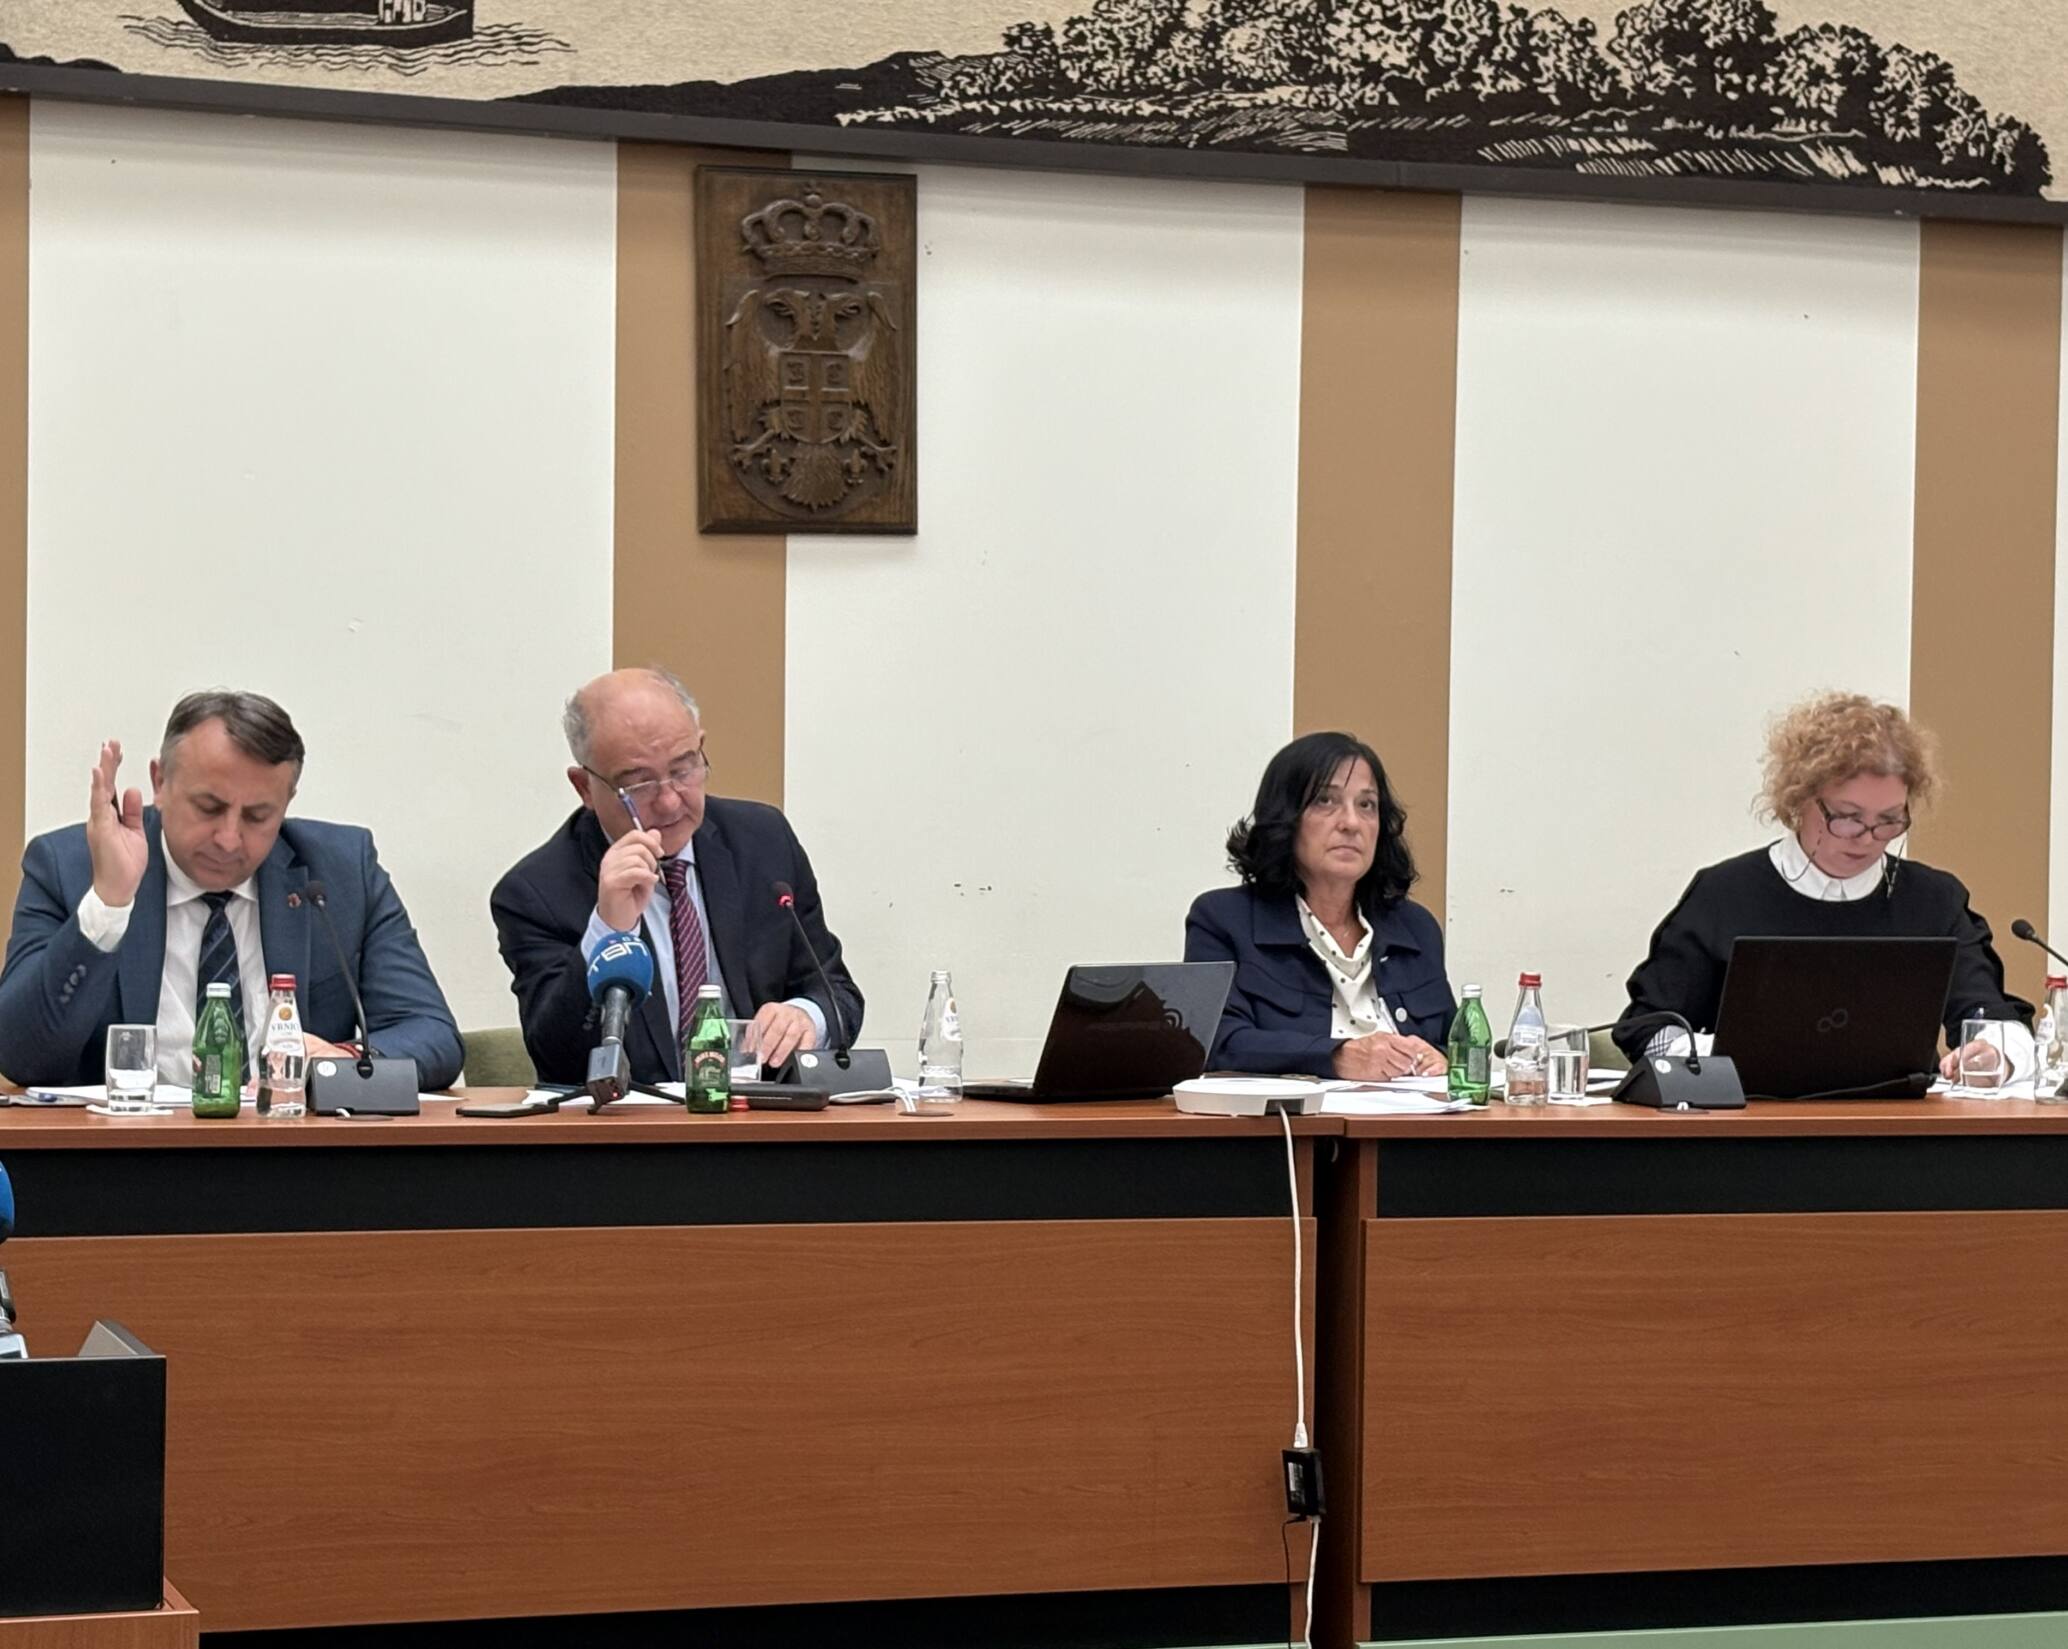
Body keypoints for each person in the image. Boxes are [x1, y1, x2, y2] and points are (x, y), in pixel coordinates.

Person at [0, 690, 463, 1089]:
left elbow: (432, 1034)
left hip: (295, 1152)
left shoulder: (340, 873)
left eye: (258, 816)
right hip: (127, 1154)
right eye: (208, 807)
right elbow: (19, 1054)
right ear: (160, 781)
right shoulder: (69, 867)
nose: (228, 839)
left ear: (287, 803)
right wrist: (108, 905)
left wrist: (337, 1061)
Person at [1615, 691, 2032, 1084]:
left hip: (1897, 1125)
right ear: (1800, 799)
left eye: (1889, 820)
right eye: (1848, 817)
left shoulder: (1933, 900)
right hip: (1748, 1122)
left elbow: (1989, 1013)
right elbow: (1649, 1027)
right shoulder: (1725, 894)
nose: (1867, 838)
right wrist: (1722, 1053)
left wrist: (1996, 1053)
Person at [491, 667, 863, 1086]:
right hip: (635, 1124)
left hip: (759, 1114)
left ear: (700, 748)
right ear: (584, 788)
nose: (669, 803)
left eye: (684, 770)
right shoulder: (535, 893)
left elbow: (837, 993)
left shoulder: (762, 841)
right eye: (639, 785)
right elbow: (557, 1059)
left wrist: (806, 1016)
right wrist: (608, 930)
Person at [1185, 731, 1455, 1080]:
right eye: (1326, 801)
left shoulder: (1415, 927)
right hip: (1294, 1116)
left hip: (1413, 1113)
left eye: (1367, 805)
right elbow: (1215, 1043)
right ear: (1286, 817)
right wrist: (1336, 1057)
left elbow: (1457, 1042)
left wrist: (1442, 1059)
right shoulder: (1224, 919)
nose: (1351, 823)